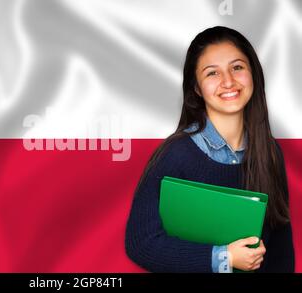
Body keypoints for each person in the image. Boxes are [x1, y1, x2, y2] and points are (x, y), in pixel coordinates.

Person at [125, 26, 295, 273]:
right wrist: (223, 257)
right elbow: (141, 243)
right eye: (212, 73)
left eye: (237, 67)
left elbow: (280, 250)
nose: (228, 81)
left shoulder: (270, 153)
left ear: (254, 75)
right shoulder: (176, 155)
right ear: (196, 88)